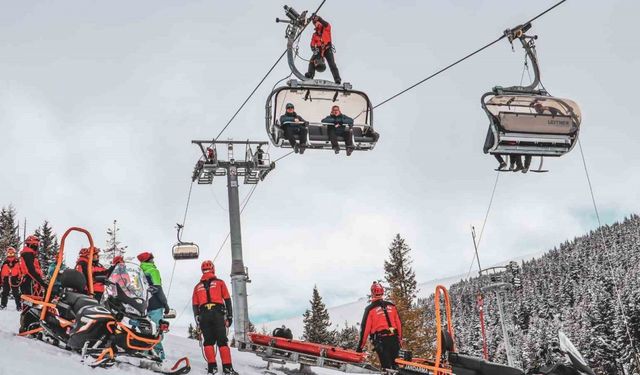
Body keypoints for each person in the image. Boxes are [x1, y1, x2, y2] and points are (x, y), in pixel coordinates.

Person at [192, 260, 236, 375]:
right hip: (217, 314)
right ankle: (227, 368)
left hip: (204, 315)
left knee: (208, 341)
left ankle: (212, 368)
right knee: (222, 341)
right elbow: (227, 299)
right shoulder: (220, 282)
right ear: (213, 269)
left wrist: (197, 318)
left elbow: (195, 305)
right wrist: (230, 316)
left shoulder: (197, 287)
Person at [356, 282, 402, 370]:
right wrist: (400, 339)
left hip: (382, 341)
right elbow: (399, 324)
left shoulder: (370, 309)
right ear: (382, 292)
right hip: (394, 339)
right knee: (396, 367)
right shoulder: (392, 306)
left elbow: (365, 329)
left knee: (387, 368)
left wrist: (360, 347)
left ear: (372, 293)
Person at [137, 251, 171, 360]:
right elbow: (158, 289)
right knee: (156, 331)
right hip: (156, 305)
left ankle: (146, 353)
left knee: (146, 330)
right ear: (149, 260)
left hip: (143, 306)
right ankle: (159, 356)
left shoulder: (139, 272)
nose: (153, 260)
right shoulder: (153, 271)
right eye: (152, 258)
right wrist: (165, 304)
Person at [304, 14, 341, 84]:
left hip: (327, 48)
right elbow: (312, 43)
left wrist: (319, 18)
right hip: (319, 49)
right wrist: (313, 49)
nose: (316, 24)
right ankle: (310, 75)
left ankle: (337, 79)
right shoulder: (315, 35)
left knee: (332, 64)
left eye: (317, 22)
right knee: (312, 61)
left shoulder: (326, 29)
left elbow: (327, 24)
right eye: (315, 23)